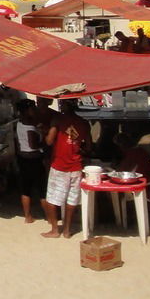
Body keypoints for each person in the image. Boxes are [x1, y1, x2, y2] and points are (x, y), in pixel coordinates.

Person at [42, 100, 92, 239]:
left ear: (63, 105)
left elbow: (49, 141)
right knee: (71, 200)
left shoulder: (57, 120)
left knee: (52, 198)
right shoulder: (84, 122)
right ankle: (67, 230)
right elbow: (88, 147)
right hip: (76, 166)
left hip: (59, 165)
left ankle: (54, 230)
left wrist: (44, 133)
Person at [14, 100, 49, 224]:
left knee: (26, 189)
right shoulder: (29, 126)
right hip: (33, 159)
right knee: (42, 190)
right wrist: (44, 141)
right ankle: (50, 217)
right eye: (33, 108)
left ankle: (28, 216)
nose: (35, 110)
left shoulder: (19, 123)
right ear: (27, 110)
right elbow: (33, 145)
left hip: (23, 158)